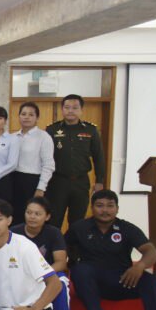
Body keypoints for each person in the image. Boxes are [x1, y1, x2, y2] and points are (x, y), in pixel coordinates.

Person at [12, 196, 71, 310]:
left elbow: (61, 262)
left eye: (37, 214)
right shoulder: (14, 232)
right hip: (21, 273)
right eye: (29, 212)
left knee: (60, 283)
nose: (32, 217)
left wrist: (42, 273)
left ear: (47, 216)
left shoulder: (54, 233)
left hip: (48, 272)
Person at [46, 94, 106, 226]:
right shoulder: (52, 129)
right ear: (62, 109)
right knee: (54, 220)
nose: (70, 111)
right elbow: (44, 158)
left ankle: (74, 241)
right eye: (67, 107)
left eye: (74, 107)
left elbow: (99, 157)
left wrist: (99, 181)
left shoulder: (91, 130)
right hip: (57, 182)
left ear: (81, 110)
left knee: (78, 221)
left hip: (80, 182)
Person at [12, 102, 55, 217]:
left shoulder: (44, 137)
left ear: (37, 118)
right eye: (23, 114)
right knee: (15, 216)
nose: (26, 117)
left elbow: (48, 165)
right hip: (14, 181)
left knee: (31, 216)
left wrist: (41, 188)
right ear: (19, 116)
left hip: (33, 182)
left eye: (31, 114)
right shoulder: (13, 136)